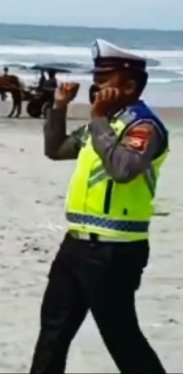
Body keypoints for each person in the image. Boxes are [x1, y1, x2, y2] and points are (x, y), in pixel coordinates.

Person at [30, 39, 168, 373]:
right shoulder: (104, 123)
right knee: (53, 332)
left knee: (122, 339)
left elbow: (123, 170)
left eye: (105, 79)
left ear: (130, 85)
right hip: (75, 244)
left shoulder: (143, 126)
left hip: (115, 252)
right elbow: (57, 149)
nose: (96, 85)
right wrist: (60, 108)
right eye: (96, 77)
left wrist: (98, 118)